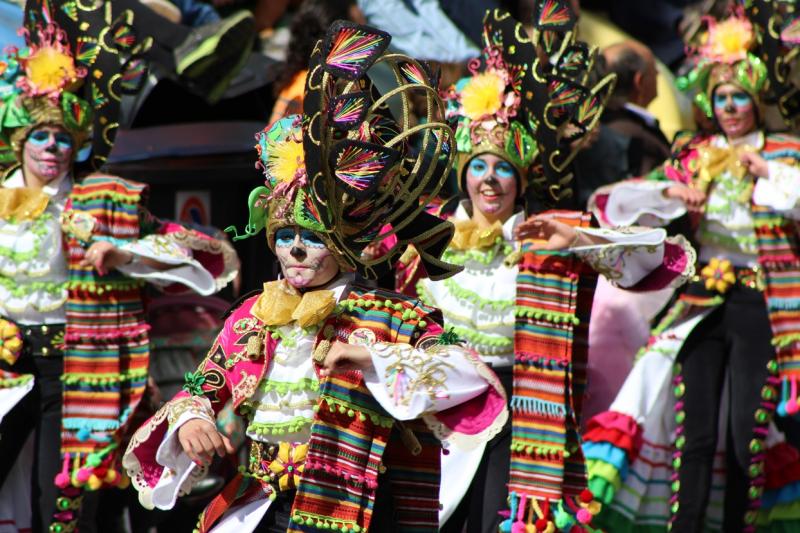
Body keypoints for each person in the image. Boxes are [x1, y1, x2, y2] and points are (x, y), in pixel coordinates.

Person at [122, 21, 508, 533]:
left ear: (345, 244)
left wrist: (373, 357)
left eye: (311, 236)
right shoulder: (255, 314)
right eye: (285, 237)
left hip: (353, 514)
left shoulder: (393, 314)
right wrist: (192, 417)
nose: (296, 248)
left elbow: (469, 373)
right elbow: (203, 381)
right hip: (261, 504)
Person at [395, 6, 695, 532]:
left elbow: (656, 262)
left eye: (503, 169)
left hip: (524, 417)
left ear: (521, 178)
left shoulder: (548, 233)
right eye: (480, 168)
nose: (490, 182)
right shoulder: (430, 238)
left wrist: (576, 239)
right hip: (442, 414)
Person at [0, 15, 239, 533]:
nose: (50, 148)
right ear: (18, 139)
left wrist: (121, 254)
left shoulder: (103, 199)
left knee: (62, 494)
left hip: (77, 365)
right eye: (39, 135)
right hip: (6, 361)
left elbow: (197, 251)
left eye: (63, 138)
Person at [583, 8, 800, 532]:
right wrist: (671, 191)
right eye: (721, 98)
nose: (730, 108)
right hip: (701, 298)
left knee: (745, 431)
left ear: (756, 102)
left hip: (762, 302)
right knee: (695, 431)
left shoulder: (783, 152)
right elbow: (616, 201)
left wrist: (768, 171)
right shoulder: (696, 153)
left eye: (739, 98)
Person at [602, 40, 671, 177]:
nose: (658, 73)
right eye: (653, 69)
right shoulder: (634, 137)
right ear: (639, 81)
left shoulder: (609, 122)